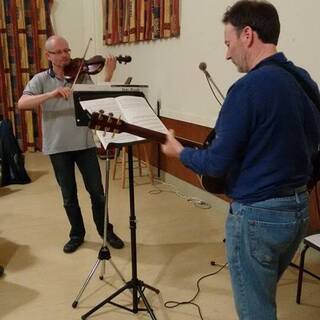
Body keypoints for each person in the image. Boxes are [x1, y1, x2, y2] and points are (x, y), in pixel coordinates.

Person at [161, 1, 320, 319]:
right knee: (263, 295)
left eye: (228, 43)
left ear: (247, 35)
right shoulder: (304, 80)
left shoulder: (247, 89)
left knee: (255, 311)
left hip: (257, 218)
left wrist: (180, 152)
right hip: (299, 212)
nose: (226, 54)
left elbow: (216, 164)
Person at [18, 35, 124, 253]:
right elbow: (22, 103)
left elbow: (97, 101)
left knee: (97, 192)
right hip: (58, 147)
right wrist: (51, 94)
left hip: (84, 144)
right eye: (59, 52)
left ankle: (106, 231)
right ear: (48, 56)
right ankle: (77, 234)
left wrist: (109, 74)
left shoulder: (82, 76)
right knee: (69, 196)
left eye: (67, 50)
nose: (65, 55)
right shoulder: (40, 79)